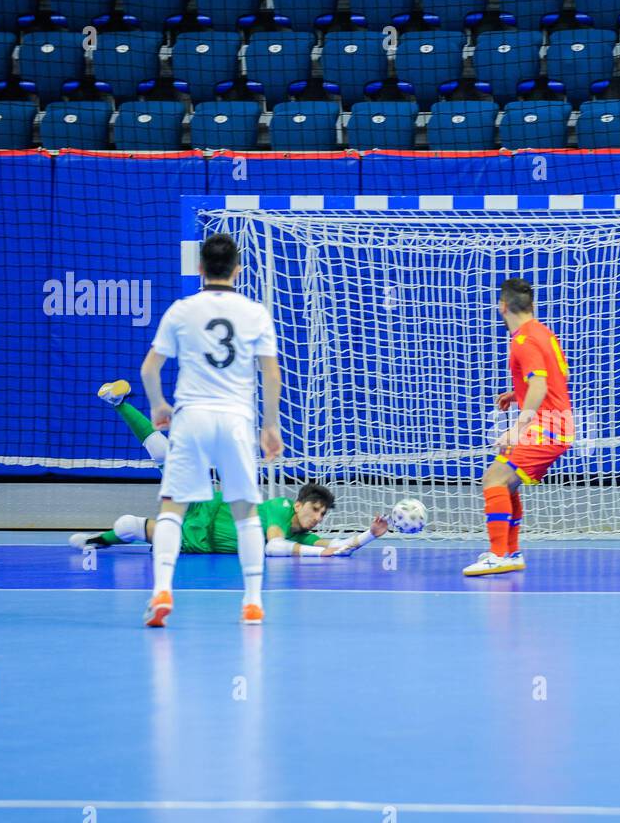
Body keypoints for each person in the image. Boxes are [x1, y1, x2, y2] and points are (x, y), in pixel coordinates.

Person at [140, 233, 282, 627]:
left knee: (173, 508)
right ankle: (252, 601)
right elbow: (271, 374)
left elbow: (149, 368)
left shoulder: (181, 310)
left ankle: (162, 591)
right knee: (246, 513)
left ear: (200, 268)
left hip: (192, 417)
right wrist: (270, 425)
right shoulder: (255, 312)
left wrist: (158, 405)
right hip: (236, 419)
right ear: (237, 270)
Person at [70, 382, 388, 557]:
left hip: (197, 540)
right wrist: (320, 556)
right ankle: (119, 403)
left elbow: (340, 549)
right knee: (168, 457)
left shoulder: (303, 537)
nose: (318, 518)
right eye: (315, 510)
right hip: (207, 504)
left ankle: (96, 541)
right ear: (298, 504)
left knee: (129, 525)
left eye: (322, 515)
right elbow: (276, 547)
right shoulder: (279, 509)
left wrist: (370, 536)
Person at [463, 278, 573, 577]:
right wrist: (517, 394)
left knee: (494, 479)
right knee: (502, 479)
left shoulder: (523, 340)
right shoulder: (545, 334)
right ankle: (510, 552)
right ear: (532, 306)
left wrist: (517, 426)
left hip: (546, 426)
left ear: (502, 307)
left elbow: (539, 383)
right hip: (556, 422)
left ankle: (499, 554)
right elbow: (555, 377)